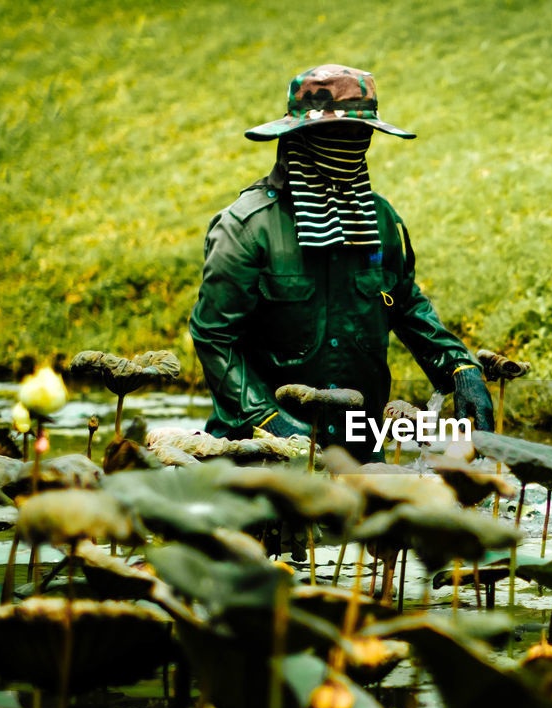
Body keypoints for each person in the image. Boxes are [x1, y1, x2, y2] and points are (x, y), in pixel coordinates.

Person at [189, 63, 494, 460]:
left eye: (359, 134)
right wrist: (265, 419)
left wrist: (459, 367)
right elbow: (214, 337)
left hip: (358, 449)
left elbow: (405, 303)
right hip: (257, 453)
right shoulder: (247, 228)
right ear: (301, 135)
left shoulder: (379, 219)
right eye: (336, 133)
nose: (350, 144)